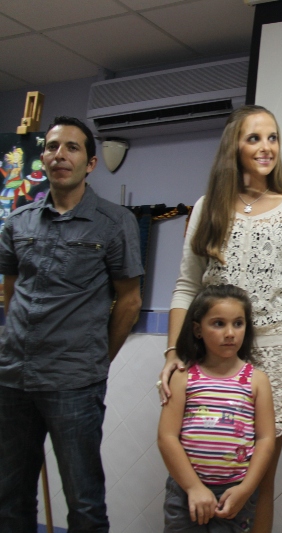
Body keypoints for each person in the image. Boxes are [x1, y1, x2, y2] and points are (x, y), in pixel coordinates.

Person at [159, 105, 282, 532]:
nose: (266, 147)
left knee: (258, 481)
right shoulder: (207, 207)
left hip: (275, 356)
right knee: (199, 463)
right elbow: (186, 286)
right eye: (254, 138)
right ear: (235, 147)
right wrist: (173, 351)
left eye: (273, 137)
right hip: (211, 356)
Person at [0, 116, 143, 531]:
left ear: (90, 163)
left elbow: (129, 302)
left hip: (75, 382)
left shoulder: (114, 221)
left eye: (72, 147)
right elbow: (10, 289)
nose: (59, 155)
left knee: (84, 505)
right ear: (43, 157)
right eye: (52, 147)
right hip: (14, 378)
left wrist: (97, 359)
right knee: (10, 500)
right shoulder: (19, 221)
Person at [158, 284, 276, 532]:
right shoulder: (183, 377)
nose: (230, 333)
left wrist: (246, 489)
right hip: (186, 492)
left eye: (238, 323)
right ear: (197, 329)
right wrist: (193, 487)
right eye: (219, 324)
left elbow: (266, 439)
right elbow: (166, 437)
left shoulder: (257, 381)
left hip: (235, 494)